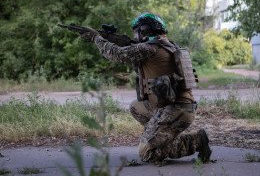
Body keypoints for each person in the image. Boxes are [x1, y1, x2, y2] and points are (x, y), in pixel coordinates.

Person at [81, 12, 212, 164]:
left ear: (145, 31)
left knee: (147, 154)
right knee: (136, 107)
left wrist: (96, 38)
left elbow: (116, 54)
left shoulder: (150, 48)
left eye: (137, 32)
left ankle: (196, 141)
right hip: (175, 107)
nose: (135, 36)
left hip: (177, 110)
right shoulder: (168, 45)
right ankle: (157, 136)